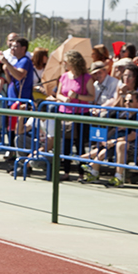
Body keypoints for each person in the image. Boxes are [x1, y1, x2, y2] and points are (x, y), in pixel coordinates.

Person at [81, 91, 138, 186]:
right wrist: (108, 140)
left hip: (137, 145)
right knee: (108, 144)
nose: (127, 103)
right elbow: (116, 129)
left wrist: (114, 141)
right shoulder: (125, 114)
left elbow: (133, 136)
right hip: (121, 141)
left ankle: (118, 177)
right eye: (126, 100)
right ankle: (93, 172)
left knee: (119, 144)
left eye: (131, 100)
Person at [51, 50, 95, 180]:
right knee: (65, 144)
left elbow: (92, 97)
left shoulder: (86, 78)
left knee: (79, 144)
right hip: (65, 114)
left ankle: (81, 173)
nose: (64, 64)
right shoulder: (64, 76)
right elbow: (58, 94)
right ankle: (66, 172)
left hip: (80, 114)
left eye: (66, 62)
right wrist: (63, 99)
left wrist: (77, 96)